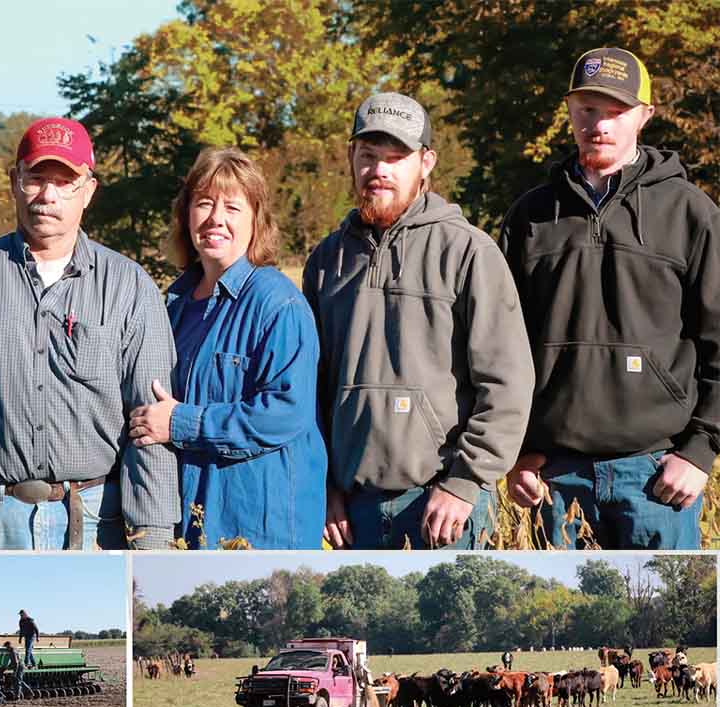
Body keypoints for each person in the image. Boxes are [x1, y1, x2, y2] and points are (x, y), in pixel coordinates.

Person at [0, 117, 180, 550]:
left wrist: (152, 538)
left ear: (88, 190)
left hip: (96, 519)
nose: (48, 196)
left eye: (65, 182)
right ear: (15, 182)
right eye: (36, 178)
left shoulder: (129, 287)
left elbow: (149, 425)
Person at [500, 48, 720, 549]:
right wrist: (517, 453)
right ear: (570, 112)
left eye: (616, 111)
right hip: (552, 479)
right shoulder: (530, 217)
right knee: (560, 622)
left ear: (645, 115)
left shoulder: (691, 214)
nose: (599, 124)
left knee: (661, 619)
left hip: (657, 477)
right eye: (587, 109)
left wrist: (699, 452)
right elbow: (500, 350)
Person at [303, 92, 534, 549]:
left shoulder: (469, 251)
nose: (379, 171)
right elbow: (312, 386)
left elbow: (508, 382)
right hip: (354, 510)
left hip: (443, 506)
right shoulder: (326, 261)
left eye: (396, 158)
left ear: (426, 162)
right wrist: (325, 485)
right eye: (368, 156)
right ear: (352, 157)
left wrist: (465, 484)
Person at [127, 148, 326, 548]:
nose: (216, 218)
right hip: (192, 517)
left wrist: (181, 423)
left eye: (233, 207)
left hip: (258, 525)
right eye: (204, 204)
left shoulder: (278, 304)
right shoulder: (177, 304)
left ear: (256, 221)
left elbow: (285, 413)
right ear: (186, 216)